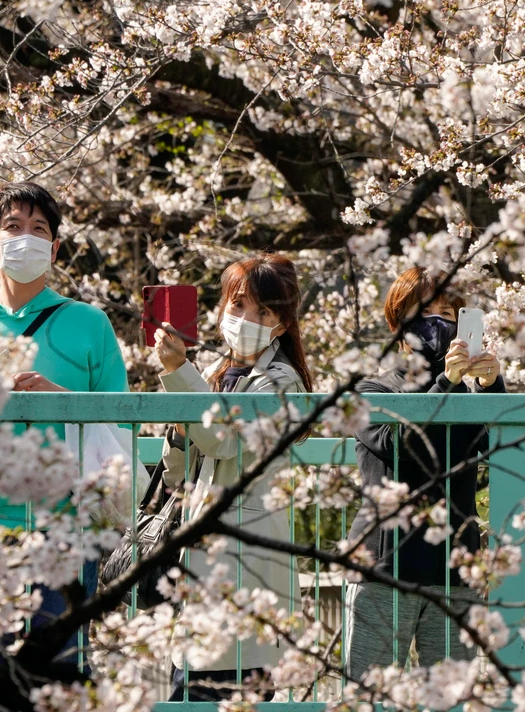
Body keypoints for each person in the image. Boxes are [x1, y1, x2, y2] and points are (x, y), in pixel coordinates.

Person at [0, 182, 130, 665]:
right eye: (12, 227)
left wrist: (63, 402)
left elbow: (121, 423)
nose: (26, 239)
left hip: (70, 531)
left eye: (39, 230)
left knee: (56, 674)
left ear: (55, 249)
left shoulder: (90, 323)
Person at [155, 254, 313, 702]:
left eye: (264, 311)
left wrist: (178, 375)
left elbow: (225, 444)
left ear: (281, 325)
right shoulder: (214, 374)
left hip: (244, 565)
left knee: (226, 687)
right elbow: (179, 470)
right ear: (223, 308)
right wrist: (181, 424)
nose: (247, 318)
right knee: (189, 689)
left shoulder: (280, 382)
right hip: (203, 554)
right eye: (239, 305)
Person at [344, 266, 506, 681]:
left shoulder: (467, 397)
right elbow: (401, 445)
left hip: (455, 569)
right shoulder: (372, 390)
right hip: (385, 567)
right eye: (426, 311)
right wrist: (447, 383)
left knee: (453, 697)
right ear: (399, 324)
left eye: (449, 313)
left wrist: (490, 388)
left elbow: (501, 445)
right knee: (371, 696)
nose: (439, 322)